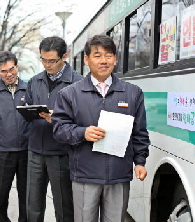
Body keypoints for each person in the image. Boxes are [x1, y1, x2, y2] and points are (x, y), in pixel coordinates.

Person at [51, 34, 150, 222]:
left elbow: (140, 132)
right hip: (84, 175)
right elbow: (59, 129)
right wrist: (83, 133)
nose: (104, 60)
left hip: (119, 175)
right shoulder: (70, 94)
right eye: (97, 55)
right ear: (87, 60)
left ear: (116, 58)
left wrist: (140, 161)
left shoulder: (132, 93)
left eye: (109, 55)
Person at [25, 36, 82, 222]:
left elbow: (83, 119)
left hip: (61, 152)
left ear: (64, 57)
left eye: (52, 61)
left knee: (64, 205)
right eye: (43, 59)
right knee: (33, 204)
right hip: (35, 150)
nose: (46, 65)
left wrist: (57, 118)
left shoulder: (77, 83)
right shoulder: (34, 81)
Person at [0, 51, 30, 222]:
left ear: (17, 67)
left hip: (26, 149)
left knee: (26, 192)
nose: (9, 74)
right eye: (4, 71)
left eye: (12, 69)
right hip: (3, 150)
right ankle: (0, 218)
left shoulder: (29, 88)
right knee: (2, 191)